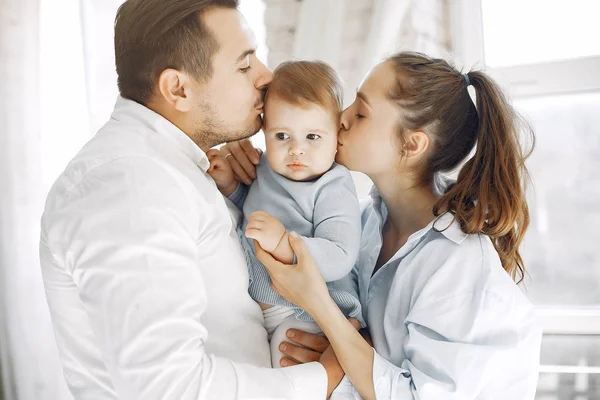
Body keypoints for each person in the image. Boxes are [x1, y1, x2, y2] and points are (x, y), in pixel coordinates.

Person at [39, 1, 342, 398]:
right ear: (177, 88)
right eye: (245, 63)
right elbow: (169, 386)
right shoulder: (129, 184)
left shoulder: (176, 169)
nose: (267, 76)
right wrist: (323, 377)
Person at [223, 51, 543, 399]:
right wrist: (250, 177)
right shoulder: (365, 222)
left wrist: (327, 320)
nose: (340, 119)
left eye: (360, 113)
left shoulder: (460, 267)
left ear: (412, 144)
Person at [207, 60, 363, 368]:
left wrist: (282, 243)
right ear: (264, 130)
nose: (296, 150)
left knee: (285, 374)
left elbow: (340, 255)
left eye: (312, 137)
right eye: (282, 136)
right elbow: (255, 212)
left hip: (306, 312)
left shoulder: (333, 186)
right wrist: (231, 188)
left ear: (336, 136)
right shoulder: (266, 168)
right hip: (261, 306)